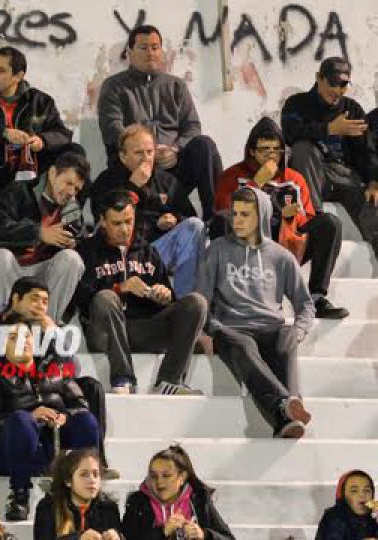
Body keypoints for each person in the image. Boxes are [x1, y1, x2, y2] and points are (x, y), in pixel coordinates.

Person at [0, 278, 113, 480]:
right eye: (35, 300)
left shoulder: (46, 325)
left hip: (40, 393)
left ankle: (96, 461)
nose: (41, 307)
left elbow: (71, 370)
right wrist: (6, 373)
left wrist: (54, 334)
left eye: (45, 302)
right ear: (16, 299)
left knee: (91, 386)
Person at [197, 187, 315, 438]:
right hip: (233, 329)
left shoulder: (281, 256)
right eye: (234, 213)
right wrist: (213, 328)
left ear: (261, 216)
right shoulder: (217, 249)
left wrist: (299, 329)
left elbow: (305, 304)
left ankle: (285, 416)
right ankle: (290, 402)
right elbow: (202, 298)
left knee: (286, 336)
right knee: (243, 345)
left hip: (271, 327)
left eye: (245, 214)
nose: (236, 220)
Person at [74, 189, 207, 395]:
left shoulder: (148, 251)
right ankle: (123, 378)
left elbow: (170, 301)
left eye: (129, 221)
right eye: (117, 223)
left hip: (142, 330)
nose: (125, 229)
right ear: (103, 221)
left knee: (196, 303)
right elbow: (82, 299)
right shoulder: (86, 250)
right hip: (104, 332)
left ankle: (169, 381)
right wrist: (120, 288)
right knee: (106, 297)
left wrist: (164, 296)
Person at [217, 117, 348, 319]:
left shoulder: (294, 178)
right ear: (252, 151)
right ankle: (232, 296)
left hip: (288, 246)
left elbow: (306, 221)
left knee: (329, 223)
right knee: (224, 221)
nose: (271, 155)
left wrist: (292, 216)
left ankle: (315, 298)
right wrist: (257, 183)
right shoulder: (232, 176)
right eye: (264, 149)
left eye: (276, 149)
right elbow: (226, 214)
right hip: (249, 250)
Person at [0, 319, 102, 521]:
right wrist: (31, 417)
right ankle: (19, 495)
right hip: (14, 452)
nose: (22, 342)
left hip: (53, 450)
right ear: (3, 346)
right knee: (21, 419)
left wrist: (65, 416)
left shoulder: (56, 368)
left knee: (86, 421)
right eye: (13, 338)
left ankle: (88, 491)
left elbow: (81, 404)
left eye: (26, 336)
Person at [98, 25, 221, 221]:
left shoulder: (175, 85)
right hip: (133, 169)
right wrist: (149, 153)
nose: (151, 53)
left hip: (172, 167)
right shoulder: (114, 86)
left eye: (155, 47)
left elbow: (192, 127)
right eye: (143, 47)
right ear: (129, 52)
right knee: (125, 158)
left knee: (204, 146)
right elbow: (113, 130)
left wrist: (176, 150)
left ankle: (214, 220)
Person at [0, 46, 80, 227]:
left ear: (18, 76)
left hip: (31, 167)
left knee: (75, 152)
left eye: (0, 70)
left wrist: (42, 141)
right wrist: (4, 133)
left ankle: (68, 216)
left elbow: (62, 133)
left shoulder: (40, 101)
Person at [90, 124, 206, 298]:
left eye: (150, 152)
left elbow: (189, 216)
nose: (146, 159)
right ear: (123, 156)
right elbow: (105, 223)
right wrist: (133, 186)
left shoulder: (166, 180)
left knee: (195, 226)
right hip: (123, 256)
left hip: (158, 251)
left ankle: (185, 302)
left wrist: (175, 219)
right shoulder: (107, 180)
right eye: (138, 153)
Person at [283, 57, 378, 256]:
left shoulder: (352, 109)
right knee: (303, 149)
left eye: (343, 86)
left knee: (372, 202)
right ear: (319, 78)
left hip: (342, 175)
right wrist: (330, 129)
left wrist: (373, 181)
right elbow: (291, 134)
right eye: (333, 84)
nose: (337, 91)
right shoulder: (297, 104)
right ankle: (315, 221)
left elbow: (365, 151)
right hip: (310, 173)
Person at [0, 152, 89, 321]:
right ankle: (11, 323)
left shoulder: (72, 210)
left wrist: (73, 243)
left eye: (76, 189)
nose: (71, 192)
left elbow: (81, 243)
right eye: (68, 183)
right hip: (13, 269)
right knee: (1, 257)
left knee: (72, 259)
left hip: (44, 276)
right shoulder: (18, 190)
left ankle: (44, 326)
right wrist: (39, 233)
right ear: (52, 174)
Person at [122, 445, 233, 540]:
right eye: (153, 476)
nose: (159, 482)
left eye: (166, 476)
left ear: (182, 477)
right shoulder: (137, 502)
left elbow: (228, 538)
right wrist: (162, 532)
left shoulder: (199, 499)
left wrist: (204, 535)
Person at [33, 448, 122, 540]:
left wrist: (117, 537)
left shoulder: (108, 508)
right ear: (68, 480)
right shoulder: (49, 507)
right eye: (84, 475)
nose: (92, 480)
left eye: (96, 474)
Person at [316, 470, 378, 539]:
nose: (362, 495)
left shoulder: (372, 517)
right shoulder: (333, 517)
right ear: (343, 495)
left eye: (367, 490)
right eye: (354, 491)